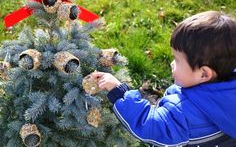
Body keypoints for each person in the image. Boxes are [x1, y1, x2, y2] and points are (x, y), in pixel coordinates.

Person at [92, 11, 236, 146]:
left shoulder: (183, 112)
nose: (172, 63)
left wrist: (120, 92)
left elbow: (149, 125)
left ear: (204, 74)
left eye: (177, 60)